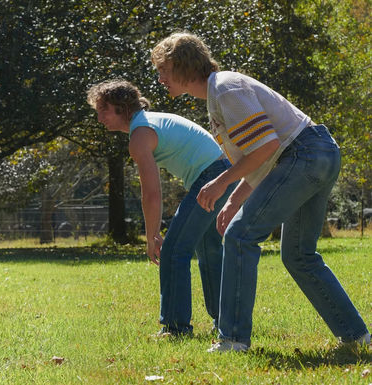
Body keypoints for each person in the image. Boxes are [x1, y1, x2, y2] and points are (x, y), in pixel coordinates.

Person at [151, 31, 370, 352]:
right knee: (299, 255)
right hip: (316, 154)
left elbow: (267, 148)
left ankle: (233, 339)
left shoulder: (225, 88)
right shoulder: (218, 95)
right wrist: (233, 203)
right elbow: (260, 159)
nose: (159, 78)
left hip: (303, 155)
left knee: (240, 236)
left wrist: (222, 183)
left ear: (181, 65)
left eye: (163, 69)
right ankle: (358, 337)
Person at [86, 79, 235, 337]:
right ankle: (225, 321)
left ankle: (176, 328)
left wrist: (152, 236)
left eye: (104, 110)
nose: (99, 118)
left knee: (174, 250)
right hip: (225, 172)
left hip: (213, 176)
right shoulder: (148, 123)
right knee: (209, 249)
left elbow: (152, 194)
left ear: (122, 108)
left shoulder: (140, 135)